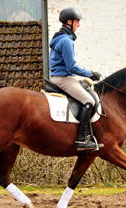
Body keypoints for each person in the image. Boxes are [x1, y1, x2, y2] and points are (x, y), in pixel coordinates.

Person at [49, 7, 104, 151]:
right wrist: (90, 73)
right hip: (63, 79)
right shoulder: (66, 40)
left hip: (60, 77)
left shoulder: (58, 38)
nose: (78, 25)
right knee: (89, 101)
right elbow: (72, 67)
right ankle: (82, 139)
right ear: (69, 21)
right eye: (77, 22)